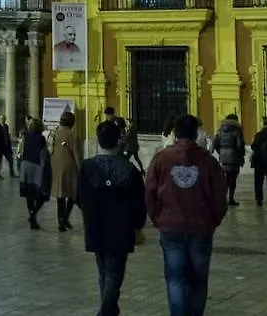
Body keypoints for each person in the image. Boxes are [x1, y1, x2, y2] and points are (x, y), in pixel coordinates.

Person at [146, 114, 228, 316]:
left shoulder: (161, 158)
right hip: (201, 227)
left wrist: (157, 218)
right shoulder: (208, 161)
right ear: (195, 133)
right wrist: (213, 221)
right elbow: (220, 196)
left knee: (175, 279)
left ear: (175, 133)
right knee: (198, 281)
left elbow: (149, 192)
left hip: (170, 226)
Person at [77, 119, 147, 316]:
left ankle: (110, 310)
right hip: (121, 229)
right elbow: (139, 203)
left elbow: (78, 198)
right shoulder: (131, 171)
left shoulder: (87, 168)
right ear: (119, 141)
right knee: (114, 273)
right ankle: (106, 311)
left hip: (95, 226)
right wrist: (137, 225)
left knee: (103, 271)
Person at [50, 110, 81, 232]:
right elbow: (77, 154)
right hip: (69, 167)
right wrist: (80, 168)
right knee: (73, 193)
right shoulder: (71, 134)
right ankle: (65, 217)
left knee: (60, 194)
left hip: (56, 165)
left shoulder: (54, 132)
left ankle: (61, 221)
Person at [19, 118, 52, 230]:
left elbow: (23, 150)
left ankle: (32, 216)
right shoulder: (41, 139)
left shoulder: (26, 136)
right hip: (36, 166)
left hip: (25, 165)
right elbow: (43, 154)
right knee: (41, 194)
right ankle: (33, 216)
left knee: (29, 194)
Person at [213, 113, 245, 206]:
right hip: (234, 157)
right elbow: (239, 145)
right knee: (233, 179)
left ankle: (222, 198)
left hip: (223, 157)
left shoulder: (220, 130)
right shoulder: (237, 131)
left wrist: (220, 151)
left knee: (225, 179)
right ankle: (230, 199)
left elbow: (215, 143)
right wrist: (241, 155)